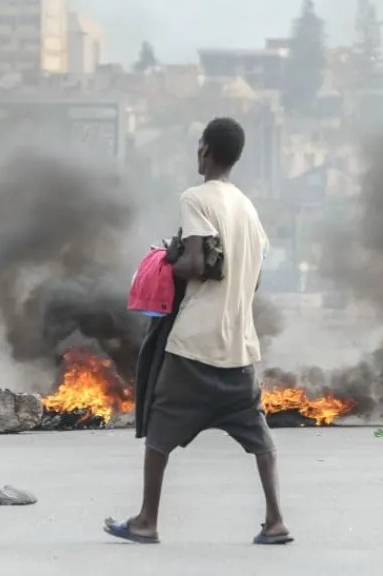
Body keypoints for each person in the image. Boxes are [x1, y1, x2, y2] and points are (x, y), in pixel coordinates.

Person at [104, 117, 292, 545]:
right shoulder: (247, 207)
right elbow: (253, 275)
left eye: (198, 147)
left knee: (159, 429)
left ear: (206, 149)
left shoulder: (195, 198)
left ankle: (147, 521)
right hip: (240, 347)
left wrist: (165, 260)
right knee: (258, 435)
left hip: (194, 344)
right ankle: (276, 519)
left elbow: (193, 264)